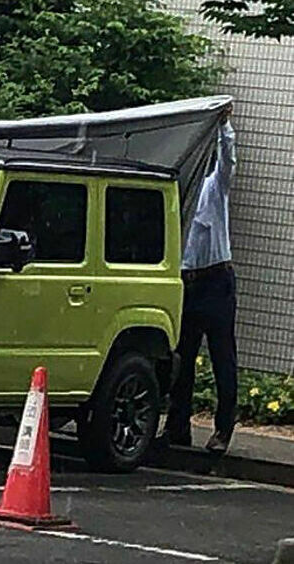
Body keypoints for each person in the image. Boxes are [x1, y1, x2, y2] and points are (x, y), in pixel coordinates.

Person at [164, 105, 237, 453]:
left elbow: (228, 162)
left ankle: (223, 429)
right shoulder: (178, 194)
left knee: (223, 356)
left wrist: (224, 127)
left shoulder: (213, 188)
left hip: (216, 280)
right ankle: (177, 426)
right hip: (187, 283)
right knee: (183, 356)